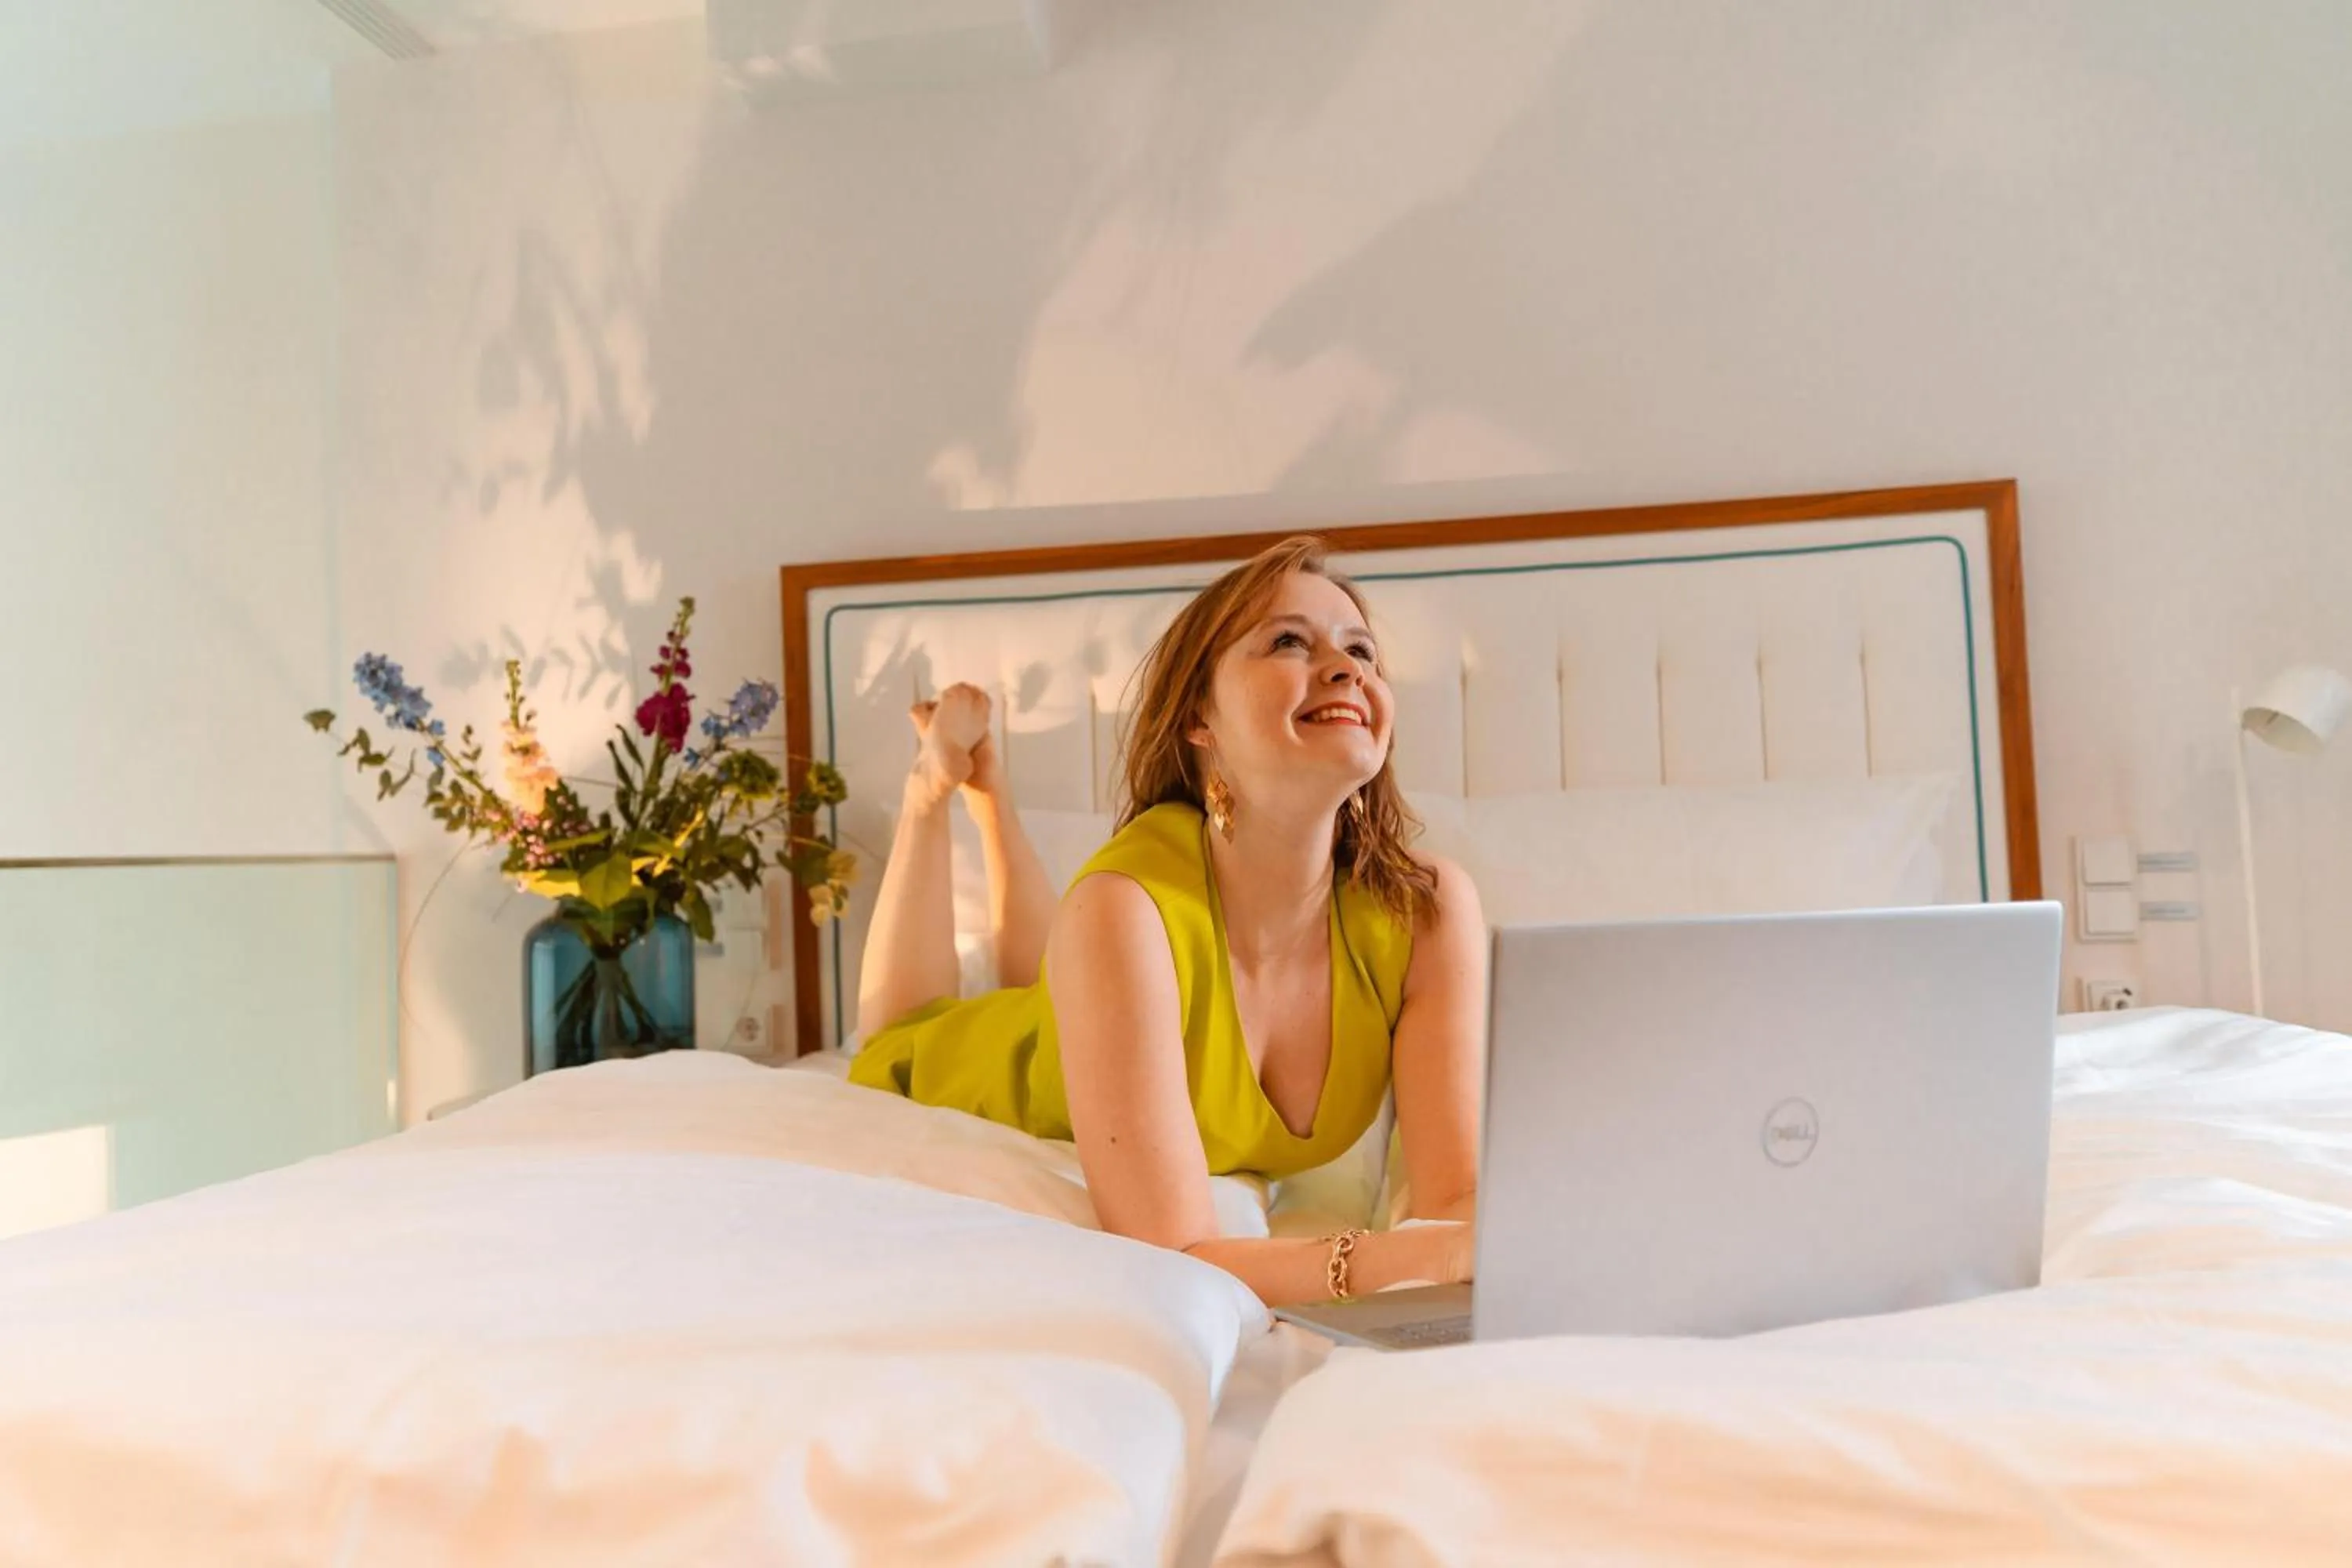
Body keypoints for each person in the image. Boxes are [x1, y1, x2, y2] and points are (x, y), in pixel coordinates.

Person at [848, 537, 1485, 1308]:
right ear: (1199, 718)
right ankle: (934, 788)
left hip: (1092, 974)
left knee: (1049, 971)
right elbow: (1173, 1251)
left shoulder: (1425, 910)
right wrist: (1390, 1259)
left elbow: (1457, 1204)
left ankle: (992, 792)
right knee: (904, 1034)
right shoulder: (1124, 906)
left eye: (1363, 650)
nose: (1348, 667)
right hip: (987, 1062)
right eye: (1288, 640)